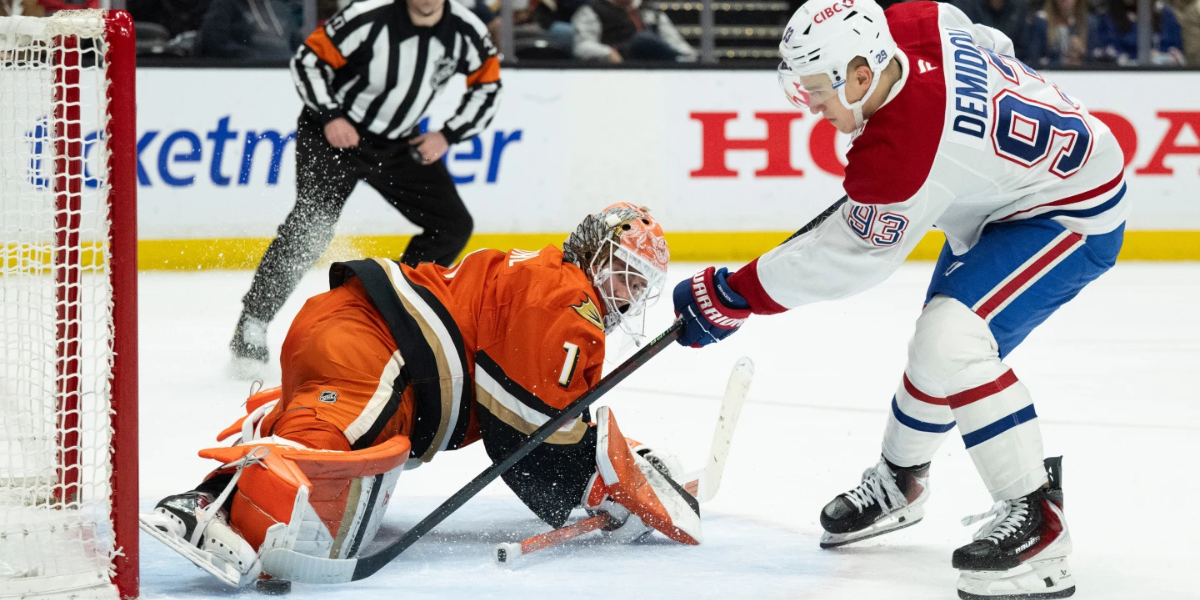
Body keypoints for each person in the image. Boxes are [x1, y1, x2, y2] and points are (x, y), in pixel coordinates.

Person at [673, 1, 1129, 598]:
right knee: (937, 346)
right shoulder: (913, 21)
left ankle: (1039, 522)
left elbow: (847, 258)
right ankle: (902, 481)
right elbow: (986, 39)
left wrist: (734, 294)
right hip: (1009, 195)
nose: (811, 105)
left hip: (1069, 211)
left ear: (862, 75)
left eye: (817, 90)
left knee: (951, 339)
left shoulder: (900, 153)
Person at [141, 204, 699, 586]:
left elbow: (547, 422)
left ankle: (221, 501)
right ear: (593, 252)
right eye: (623, 274)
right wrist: (604, 486)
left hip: (373, 343)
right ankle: (203, 509)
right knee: (320, 446)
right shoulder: (566, 301)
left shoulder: (555, 282)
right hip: (376, 341)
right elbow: (527, 437)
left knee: (336, 458)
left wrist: (619, 462)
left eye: (638, 286)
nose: (626, 295)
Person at [229, 0, 503, 375]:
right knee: (312, 227)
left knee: (451, 225)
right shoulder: (368, 15)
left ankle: (394, 316)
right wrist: (330, 115)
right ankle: (253, 323)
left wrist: (449, 133)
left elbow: (488, 86)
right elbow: (309, 60)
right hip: (335, 135)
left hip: (398, 144)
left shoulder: (466, 31)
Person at [571, 0, 696, 62]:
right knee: (642, 40)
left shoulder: (650, 11)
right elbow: (582, 46)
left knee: (646, 40)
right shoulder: (593, 10)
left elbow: (675, 42)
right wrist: (608, 52)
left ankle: (678, 60)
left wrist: (688, 56)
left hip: (655, 66)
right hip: (621, 65)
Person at [198, 0, 304, 61]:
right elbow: (214, 40)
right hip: (244, 72)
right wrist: (253, 57)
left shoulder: (282, 8)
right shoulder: (226, 4)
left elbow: (296, 43)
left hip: (284, 71)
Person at [1090, 0, 1184, 64]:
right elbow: (1106, 51)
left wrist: (1159, 57)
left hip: (1161, 78)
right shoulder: (1107, 18)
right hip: (1121, 79)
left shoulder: (1163, 13)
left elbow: (1174, 48)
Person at [1026, 0, 1090, 66]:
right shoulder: (1041, 23)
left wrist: (1083, 53)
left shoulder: (1088, 24)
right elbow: (1033, 60)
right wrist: (1058, 59)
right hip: (1050, 74)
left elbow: (1097, 59)